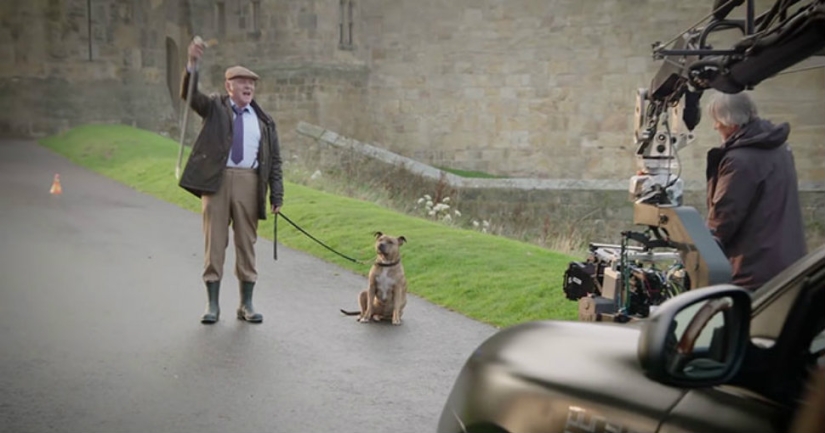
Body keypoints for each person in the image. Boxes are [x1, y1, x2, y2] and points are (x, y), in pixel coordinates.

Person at [178, 37, 283, 324]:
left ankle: (246, 305)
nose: (248, 87)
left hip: (250, 181)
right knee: (214, 243)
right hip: (217, 181)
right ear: (229, 86)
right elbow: (190, 95)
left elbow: (275, 161)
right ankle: (212, 305)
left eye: (252, 84)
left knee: (247, 243)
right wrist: (192, 63)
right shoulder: (214, 107)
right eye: (242, 83)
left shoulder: (264, 120)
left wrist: (277, 196)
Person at [705, 91, 806, 291]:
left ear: (731, 124)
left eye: (717, 121)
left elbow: (724, 218)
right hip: (790, 261)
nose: (715, 126)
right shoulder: (780, 148)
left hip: (753, 269)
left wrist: (699, 246)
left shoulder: (739, 160)